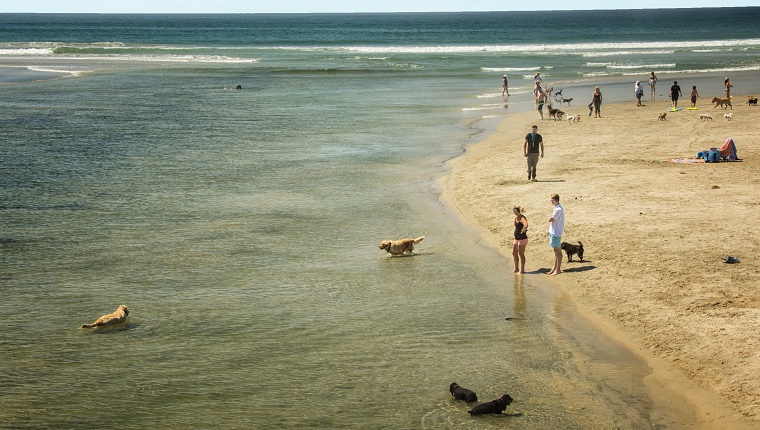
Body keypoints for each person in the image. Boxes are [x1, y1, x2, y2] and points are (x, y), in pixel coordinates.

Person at [547, 193, 564, 276]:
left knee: (558, 251)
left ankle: (558, 269)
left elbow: (551, 219)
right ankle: (554, 268)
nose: (551, 202)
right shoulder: (557, 208)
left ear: (556, 200)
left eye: (552, 201)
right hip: (554, 231)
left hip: (556, 232)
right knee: (555, 251)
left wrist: (549, 218)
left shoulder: (558, 209)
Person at [512, 206, 529, 274]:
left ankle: (522, 270)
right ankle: (516, 268)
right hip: (516, 238)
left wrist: (522, 231)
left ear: (518, 211)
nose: (514, 213)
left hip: (522, 238)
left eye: (515, 211)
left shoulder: (522, 218)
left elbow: (526, 225)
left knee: (521, 254)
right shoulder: (516, 218)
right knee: (514, 253)